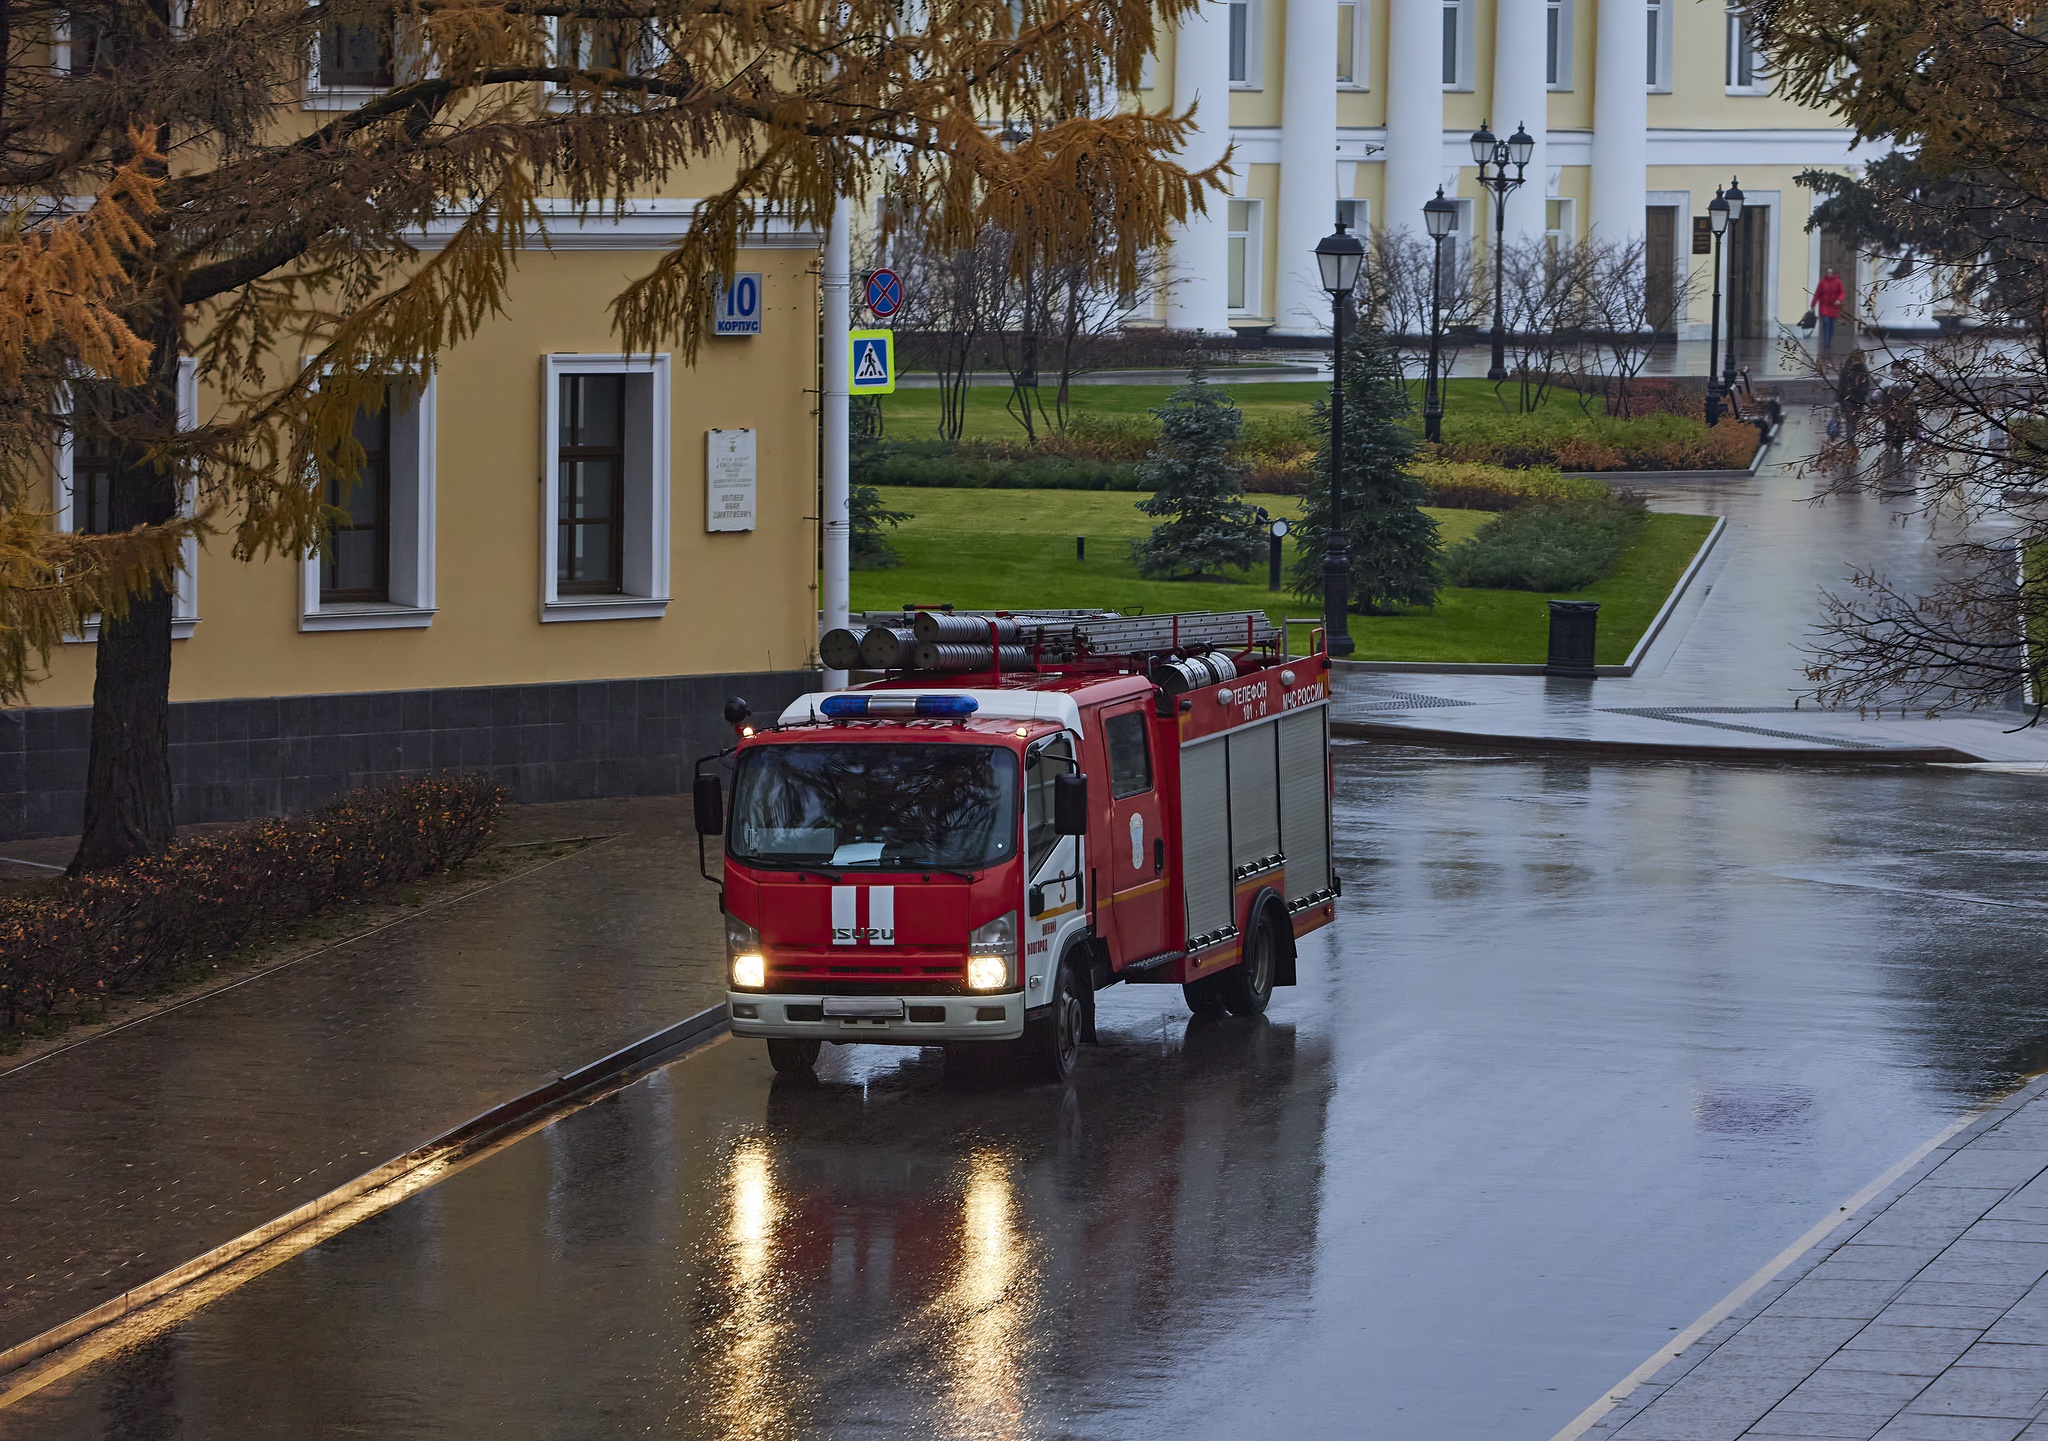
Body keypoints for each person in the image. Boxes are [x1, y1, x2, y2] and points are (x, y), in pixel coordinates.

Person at [1812, 267, 1847, 349]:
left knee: (1831, 325)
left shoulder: (1837, 282)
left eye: (1830, 272)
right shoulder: (1822, 282)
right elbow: (1817, 293)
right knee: (1826, 323)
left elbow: (1842, 293)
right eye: (1828, 272)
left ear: (1833, 273)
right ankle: (1826, 342)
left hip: (1833, 307)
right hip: (1824, 306)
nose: (1829, 274)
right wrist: (1813, 304)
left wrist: (1839, 300)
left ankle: (1829, 340)